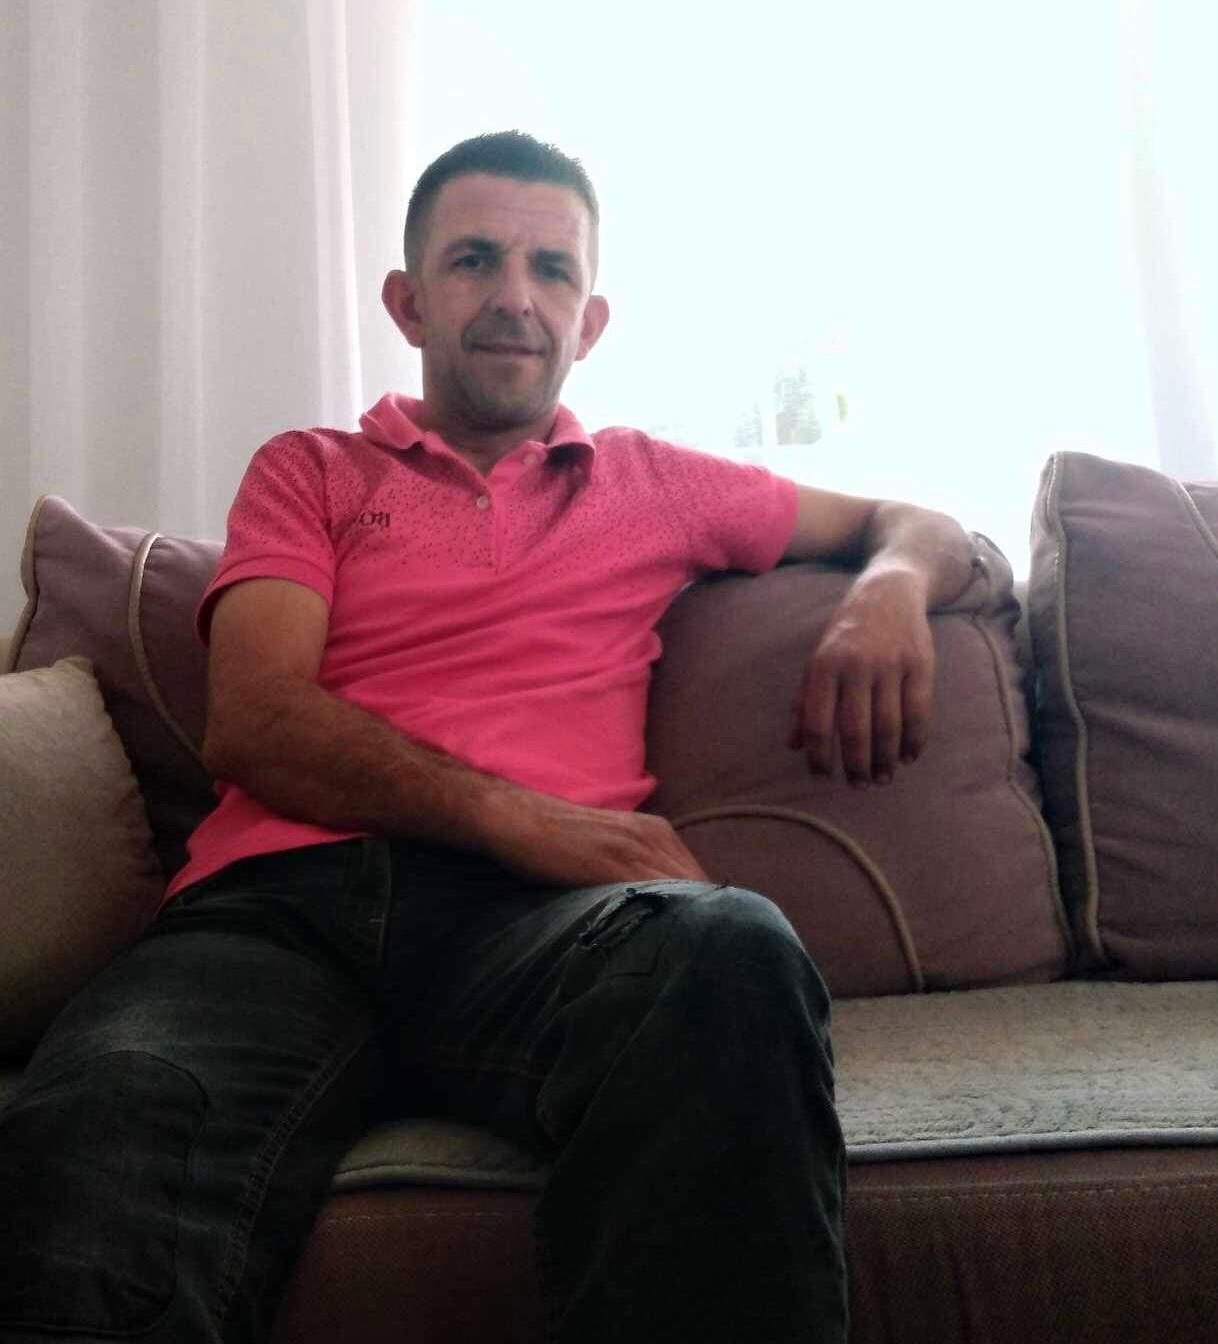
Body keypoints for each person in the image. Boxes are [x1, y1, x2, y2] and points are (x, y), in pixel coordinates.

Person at [0, 131, 975, 1344]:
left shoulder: (655, 483)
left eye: (551, 269)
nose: (517, 296)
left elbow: (917, 521)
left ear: (591, 319)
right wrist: (523, 816)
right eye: (474, 260)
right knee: (106, 1113)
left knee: (726, 950)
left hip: (539, 930)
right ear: (408, 303)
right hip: (275, 918)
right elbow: (255, 719)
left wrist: (888, 590)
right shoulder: (311, 471)